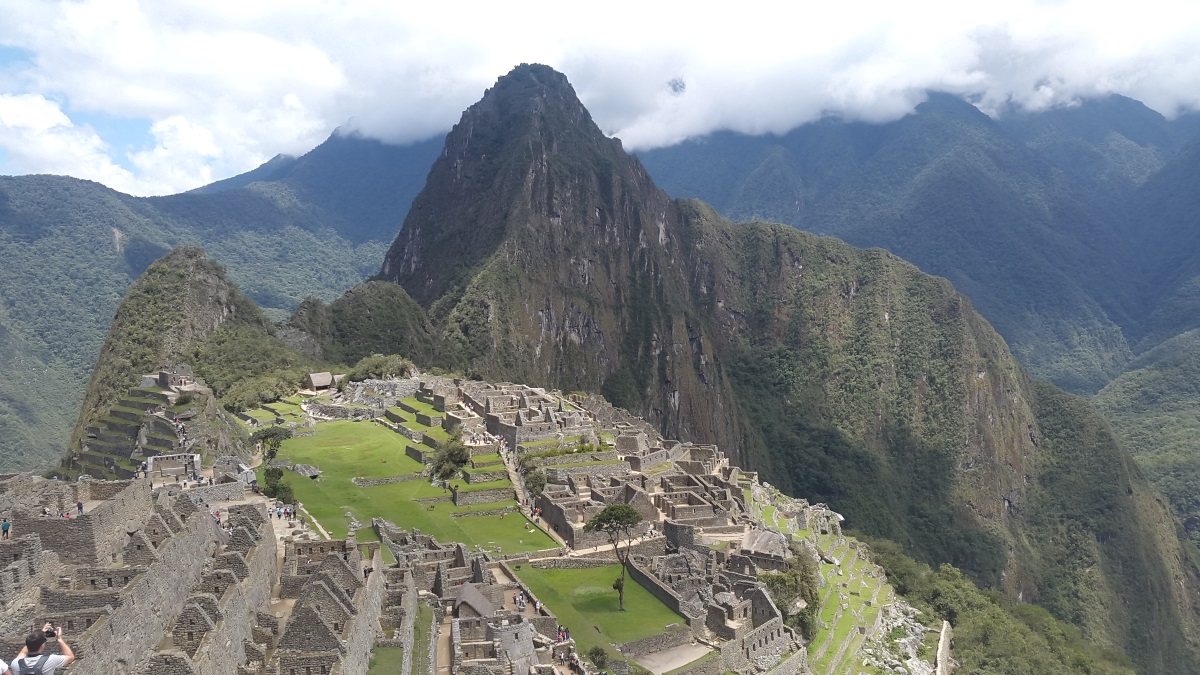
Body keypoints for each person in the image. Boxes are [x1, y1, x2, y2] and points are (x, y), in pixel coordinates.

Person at [4, 623, 74, 674]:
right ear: (42, 646)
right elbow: (70, 657)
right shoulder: (50, 660)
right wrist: (59, 639)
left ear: (27, 644)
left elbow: (23, 652)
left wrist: (41, 633)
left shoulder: (16, 664)